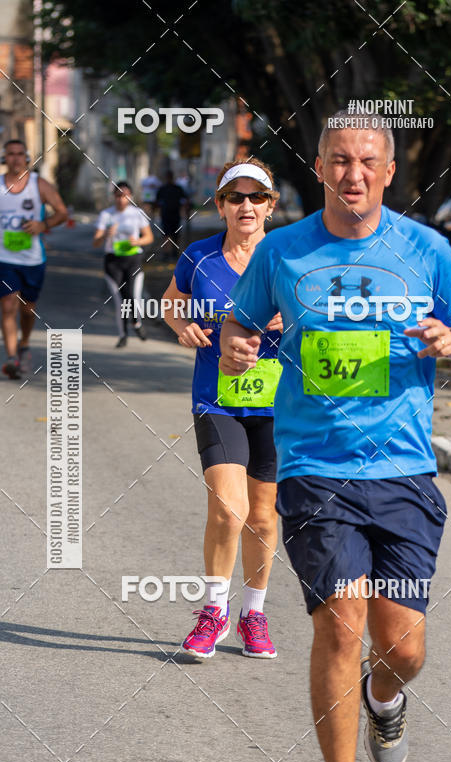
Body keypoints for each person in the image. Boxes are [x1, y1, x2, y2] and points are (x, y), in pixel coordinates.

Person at [220, 114, 451, 762]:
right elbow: (240, 328)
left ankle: (384, 696)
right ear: (319, 167)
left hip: (404, 474)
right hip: (315, 472)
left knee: (403, 649)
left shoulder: (427, 250)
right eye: (340, 160)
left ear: (390, 170)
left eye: (368, 160)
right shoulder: (282, 251)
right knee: (341, 623)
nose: (353, 173)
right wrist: (240, 350)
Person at [161, 158, 281, 660]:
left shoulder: (288, 257)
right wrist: (181, 325)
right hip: (217, 399)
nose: (246, 206)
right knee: (228, 510)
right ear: (222, 205)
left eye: (257, 198)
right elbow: (171, 301)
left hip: (278, 402)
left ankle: (253, 613)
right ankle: (214, 611)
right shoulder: (199, 256)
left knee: (264, 519)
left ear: (270, 207)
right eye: (237, 197)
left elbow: (325, 314)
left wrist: (289, 319)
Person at [0, 139, 68, 378]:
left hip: (33, 259)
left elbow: (62, 212)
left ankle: (24, 343)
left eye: (20, 154)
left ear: (26, 158)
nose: (16, 158)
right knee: (8, 305)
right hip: (2, 258)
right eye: (11, 154)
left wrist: (43, 224)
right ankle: (11, 358)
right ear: (4, 158)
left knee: (28, 310)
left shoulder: (39, 185)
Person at [93, 182, 153, 348]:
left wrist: (138, 241)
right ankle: (123, 335)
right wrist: (105, 234)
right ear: (113, 197)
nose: (121, 199)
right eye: (118, 195)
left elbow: (149, 237)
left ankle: (137, 322)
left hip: (133, 258)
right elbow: (95, 242)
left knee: (133, 295)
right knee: (120, 300)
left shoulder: (137, 214)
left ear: (131, 196)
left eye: (125, 195)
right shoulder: (106, 214)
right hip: (113, 261)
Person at [154, 171, 188, 259]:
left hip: (175, 215)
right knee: (166, 235)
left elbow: (185, 200)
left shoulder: (177, 188)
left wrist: (185, 211)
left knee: (175, 234)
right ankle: (166, 253)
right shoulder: (163, 189)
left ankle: (174, 252)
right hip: (165, 215)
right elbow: (157, 202)